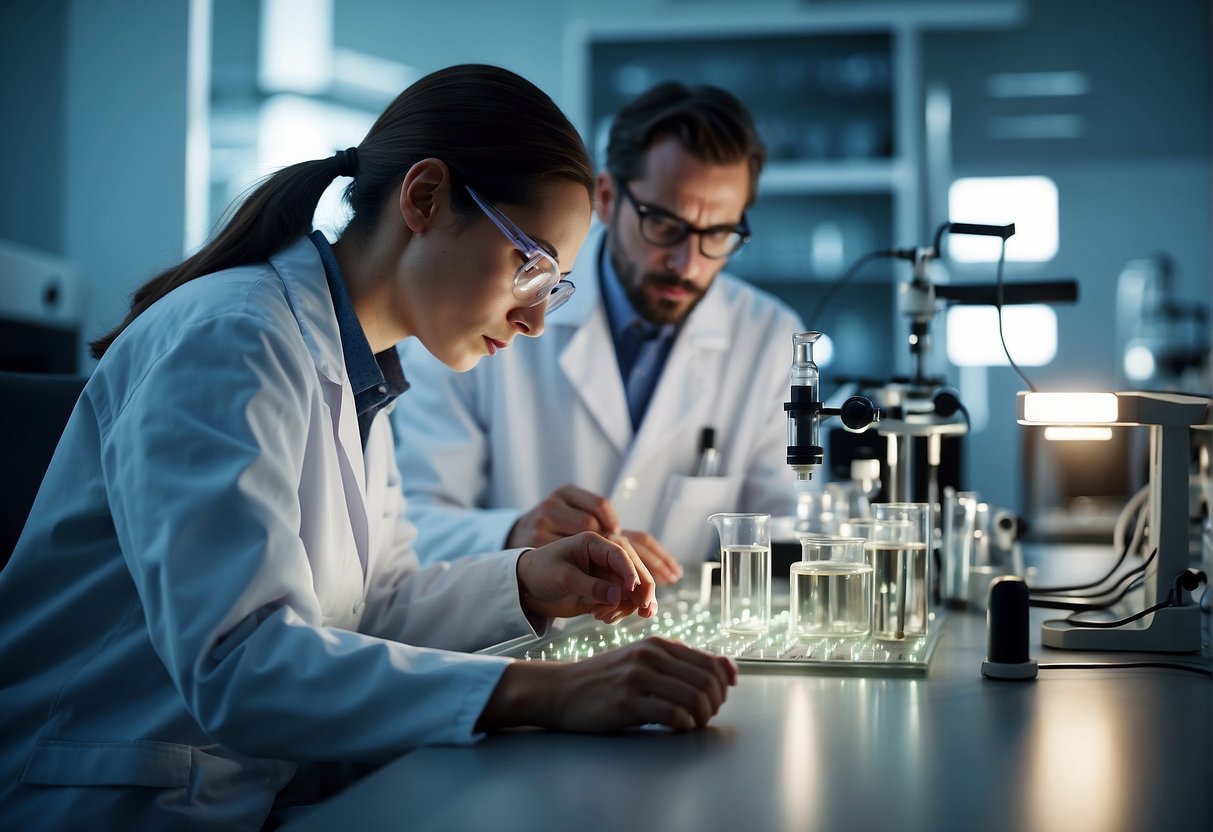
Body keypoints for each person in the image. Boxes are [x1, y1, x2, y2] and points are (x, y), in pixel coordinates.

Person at [0, 65, 737, 832]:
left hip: (233, 789)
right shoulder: (231, 339)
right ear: (424, 198)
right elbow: (240, 667)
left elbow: (372, 607)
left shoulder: (360, 371)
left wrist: (522, 582)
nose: (534, 322)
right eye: (530, 267)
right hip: (103, 801)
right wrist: (545, 690)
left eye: (552, 286)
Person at [393, 82, 805, 583]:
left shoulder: (769, 338)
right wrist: (517, 535)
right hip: (524, 642)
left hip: (681, 644)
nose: (687, 263)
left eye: (717, 233)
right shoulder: (478, 312)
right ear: (607, 199)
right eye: (665, 224)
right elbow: (412, 524)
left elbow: (786, 533)